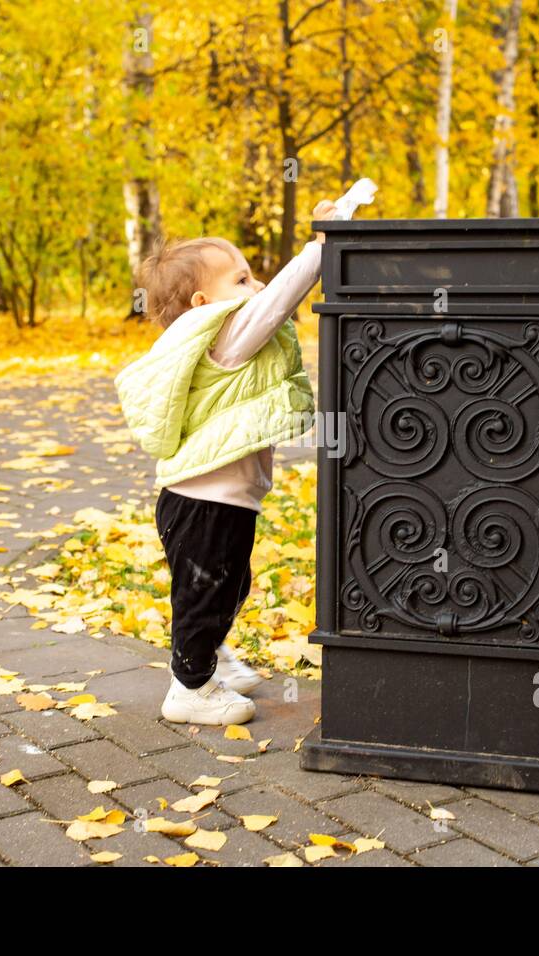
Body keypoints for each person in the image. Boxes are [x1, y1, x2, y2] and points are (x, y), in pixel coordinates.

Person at [115, 199, 336, 725]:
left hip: (212, 503)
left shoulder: (218, 337)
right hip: (204, 505)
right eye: (241, 279)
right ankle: (188, 687)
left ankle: (206, 657)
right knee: (204, 595)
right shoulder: (225, 334)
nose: (254, 287)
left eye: (252, 276)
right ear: (202, 301)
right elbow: (276, 305)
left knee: (231, 583)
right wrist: (320, 249)